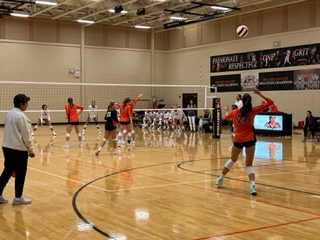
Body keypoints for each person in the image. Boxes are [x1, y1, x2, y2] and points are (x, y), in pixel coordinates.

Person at [215, 87, 274, 196]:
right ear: (250, 102)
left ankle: (220, 178)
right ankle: (252, 186)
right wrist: (259, 93)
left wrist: (227, 110)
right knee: (249, 165)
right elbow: (271, 102)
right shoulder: (253, 110)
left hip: (238, 139)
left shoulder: (235, 112)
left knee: (233, 159)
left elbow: (226, 117)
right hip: (250, 139)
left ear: (242, 102)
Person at [0, 94, 35, 205]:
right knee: (20, 173)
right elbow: (26, 135)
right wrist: (31, 149)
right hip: (18, 149)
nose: (27, 106)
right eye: (26, 103)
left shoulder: (9, 113)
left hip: (7, 147)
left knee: (7, 172)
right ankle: (18, 197)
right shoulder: (21, 116)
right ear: (21, 104)